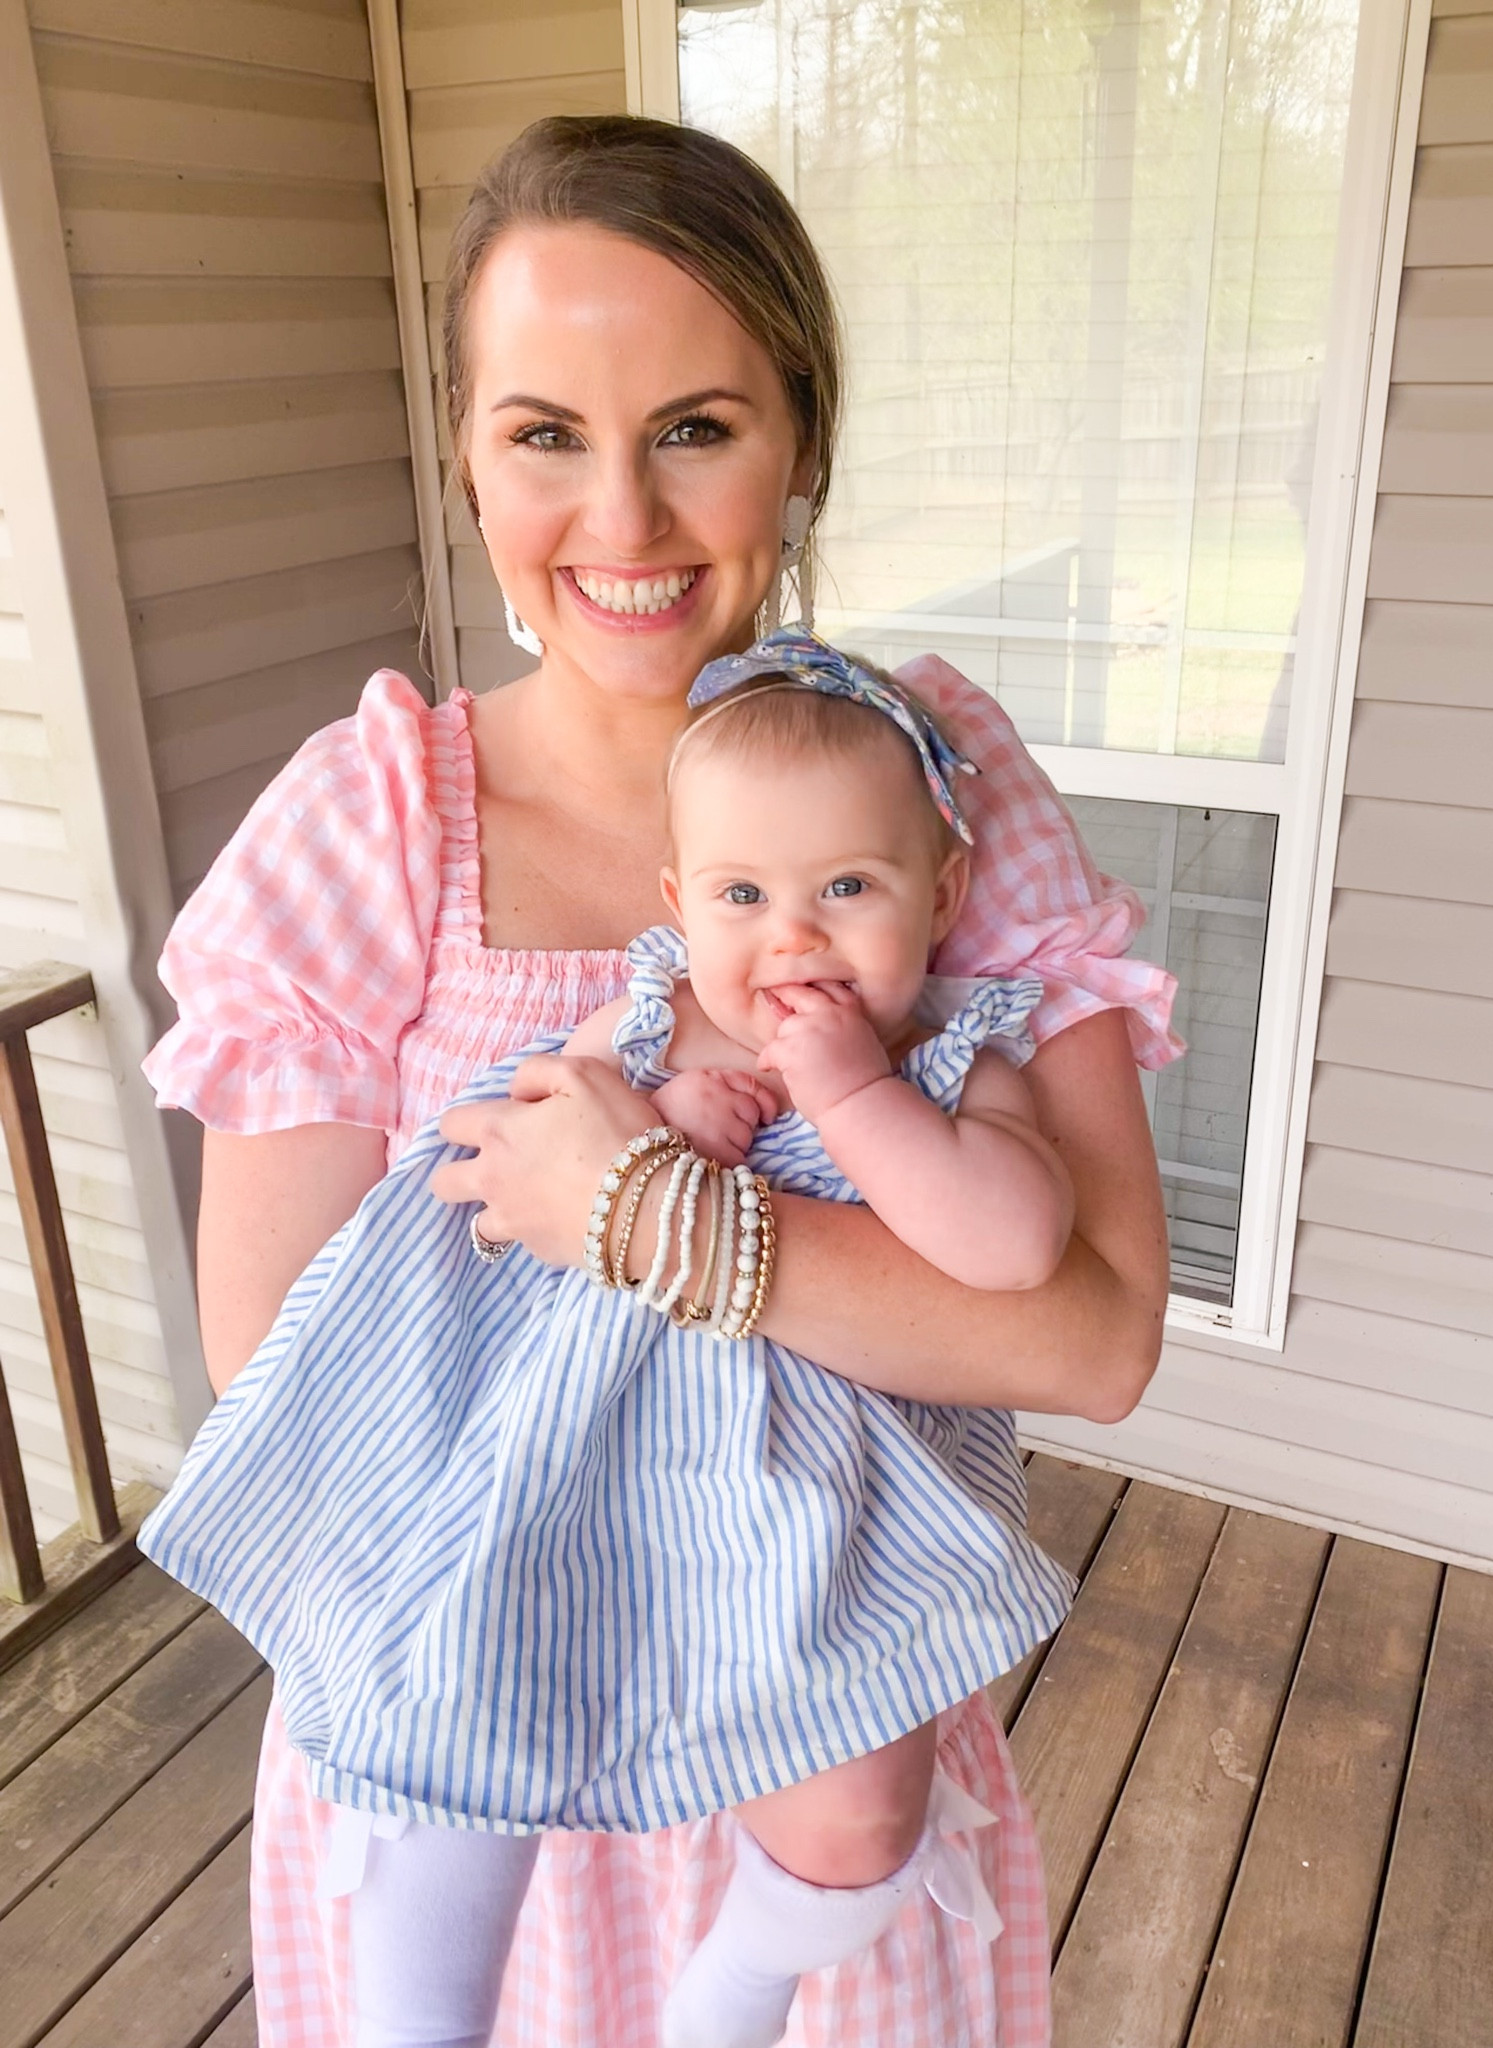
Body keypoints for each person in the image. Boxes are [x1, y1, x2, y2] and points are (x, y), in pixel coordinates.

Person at [143, 115, 1176, 2048]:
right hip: (477, 1740)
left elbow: (1092, 1336)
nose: (621, 520)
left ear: (801, 438)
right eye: (546, 434)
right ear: (466, 453)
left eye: (696, 425)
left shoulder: (929, 785)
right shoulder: (370, 819)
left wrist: (648, 1216)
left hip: (810, 1723)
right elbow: (291, 1360)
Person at [143, 632, 1087, 2048]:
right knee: (458, 1724)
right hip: (568, 1468)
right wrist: (643, 1123)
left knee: (860, 1802)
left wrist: (851, 1101)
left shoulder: (961, 1061)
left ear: (941, 893)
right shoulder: (649, 1015)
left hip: (805, 1526)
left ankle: (738, 1992)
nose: (795, 939)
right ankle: (419, 2022)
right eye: (744, 895)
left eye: (850, 889)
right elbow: (509, 1146)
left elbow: (1013, 1249)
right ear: (678, 902)